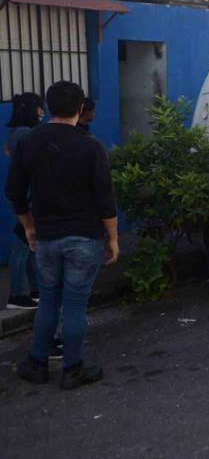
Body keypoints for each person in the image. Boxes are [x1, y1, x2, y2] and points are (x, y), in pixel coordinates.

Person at [5, 81, 119, 390]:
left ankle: (37, 364)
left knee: (48, 302)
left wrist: (29, 227)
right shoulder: (91, 146)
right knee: (74, 304)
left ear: (48, 107)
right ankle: (73, 369)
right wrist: (113, 239)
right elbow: (105, 199)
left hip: (46, 238)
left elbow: (14, 191)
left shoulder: (28, 142)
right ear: (81, 109)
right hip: (84, 238)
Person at [3, 93, 43, 310]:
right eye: (39, 107)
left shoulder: (16, 133)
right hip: (26, 195)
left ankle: (35, 290)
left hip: (22, 193)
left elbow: (8, 152)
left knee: (30, 243)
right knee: (22, 243)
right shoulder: (26, 133)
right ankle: (16, 295)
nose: (41, 111)